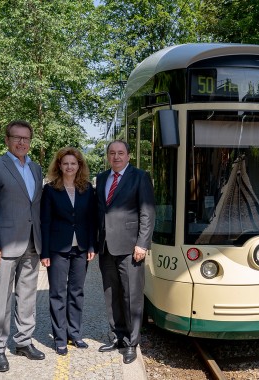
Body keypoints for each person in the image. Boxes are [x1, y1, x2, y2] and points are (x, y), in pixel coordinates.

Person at [0, 120, 45, 372]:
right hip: (5, 245)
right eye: (16, 137)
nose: (21, 142)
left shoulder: (36, 168)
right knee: (1, 297)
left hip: (32, 243)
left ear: (30, 141)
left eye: (25, 138)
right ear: (6, 139)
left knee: (27, 295)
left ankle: (23, 342)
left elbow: (34, 207)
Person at [96, 140, 155, 364]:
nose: (116, 157)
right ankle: (117, 336)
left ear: (129, 155)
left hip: (131, 247)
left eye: (121, 153)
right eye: (112, 153)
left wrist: (142, 243)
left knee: (131, 296)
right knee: (111, 293)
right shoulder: (102, 178)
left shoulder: (140, 176)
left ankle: (132, 342)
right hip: (106, 247)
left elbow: (147, 212)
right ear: (108, 156)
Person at [40, 147, 96, 356]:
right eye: (65, 163)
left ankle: (74, 333)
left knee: (77, 292)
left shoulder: (87, 189)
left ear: (79, 166)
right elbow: (44, 222)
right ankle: (60, 337)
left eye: (73, 163)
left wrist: (92, 245)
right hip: (57, 249)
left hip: (81, 248)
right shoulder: (50, 190)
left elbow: (92, 220)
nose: (69, 167)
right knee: (57, 293)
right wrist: (44, 252)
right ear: (59, 166)